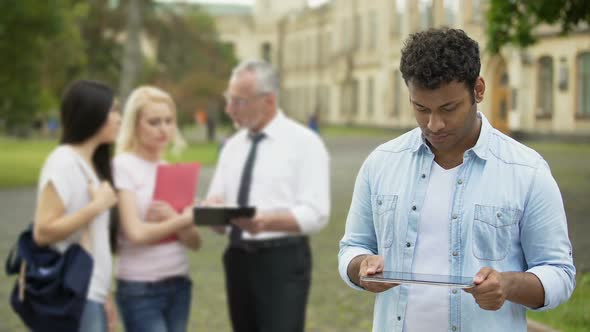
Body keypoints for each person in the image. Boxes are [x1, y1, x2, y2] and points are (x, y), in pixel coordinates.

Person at [338, 28, 576, 332]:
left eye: (448, 109)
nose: (434, 124)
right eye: (421, 109)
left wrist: (509, 285)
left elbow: (560, 273)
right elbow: (352, 247)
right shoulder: (381, 163)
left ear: (478, 89)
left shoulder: (527, 170)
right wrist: (362, 267)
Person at [206, 59, 330, 332]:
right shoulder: (232, 146)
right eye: (229, 100)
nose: (229, 109)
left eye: (238, 101)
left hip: (281, 262)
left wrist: (267, 221)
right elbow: (216, 200)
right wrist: (211, 212)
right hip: (236, 258)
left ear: (269, 100)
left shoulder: (305, 143)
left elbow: (317, 213)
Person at [32, 80, 121, 332]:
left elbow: (97, 241)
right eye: (113, 110)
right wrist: (97, 206)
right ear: (92, 114)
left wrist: (106, 294)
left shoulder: (90, 164)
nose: (119, 118)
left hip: (93, 292)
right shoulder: (63, 162)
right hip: (74, 292)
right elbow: (43, 231)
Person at [113, 86, 201, 332]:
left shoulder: (172, 170)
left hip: (179, 282)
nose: (163, 129)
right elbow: (136, 234)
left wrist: (178, 219)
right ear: (135, 125)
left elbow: (195, 243)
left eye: (169, 121)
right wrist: (182, 220)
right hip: (140, 287)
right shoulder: (123, 166)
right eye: (154, 122)